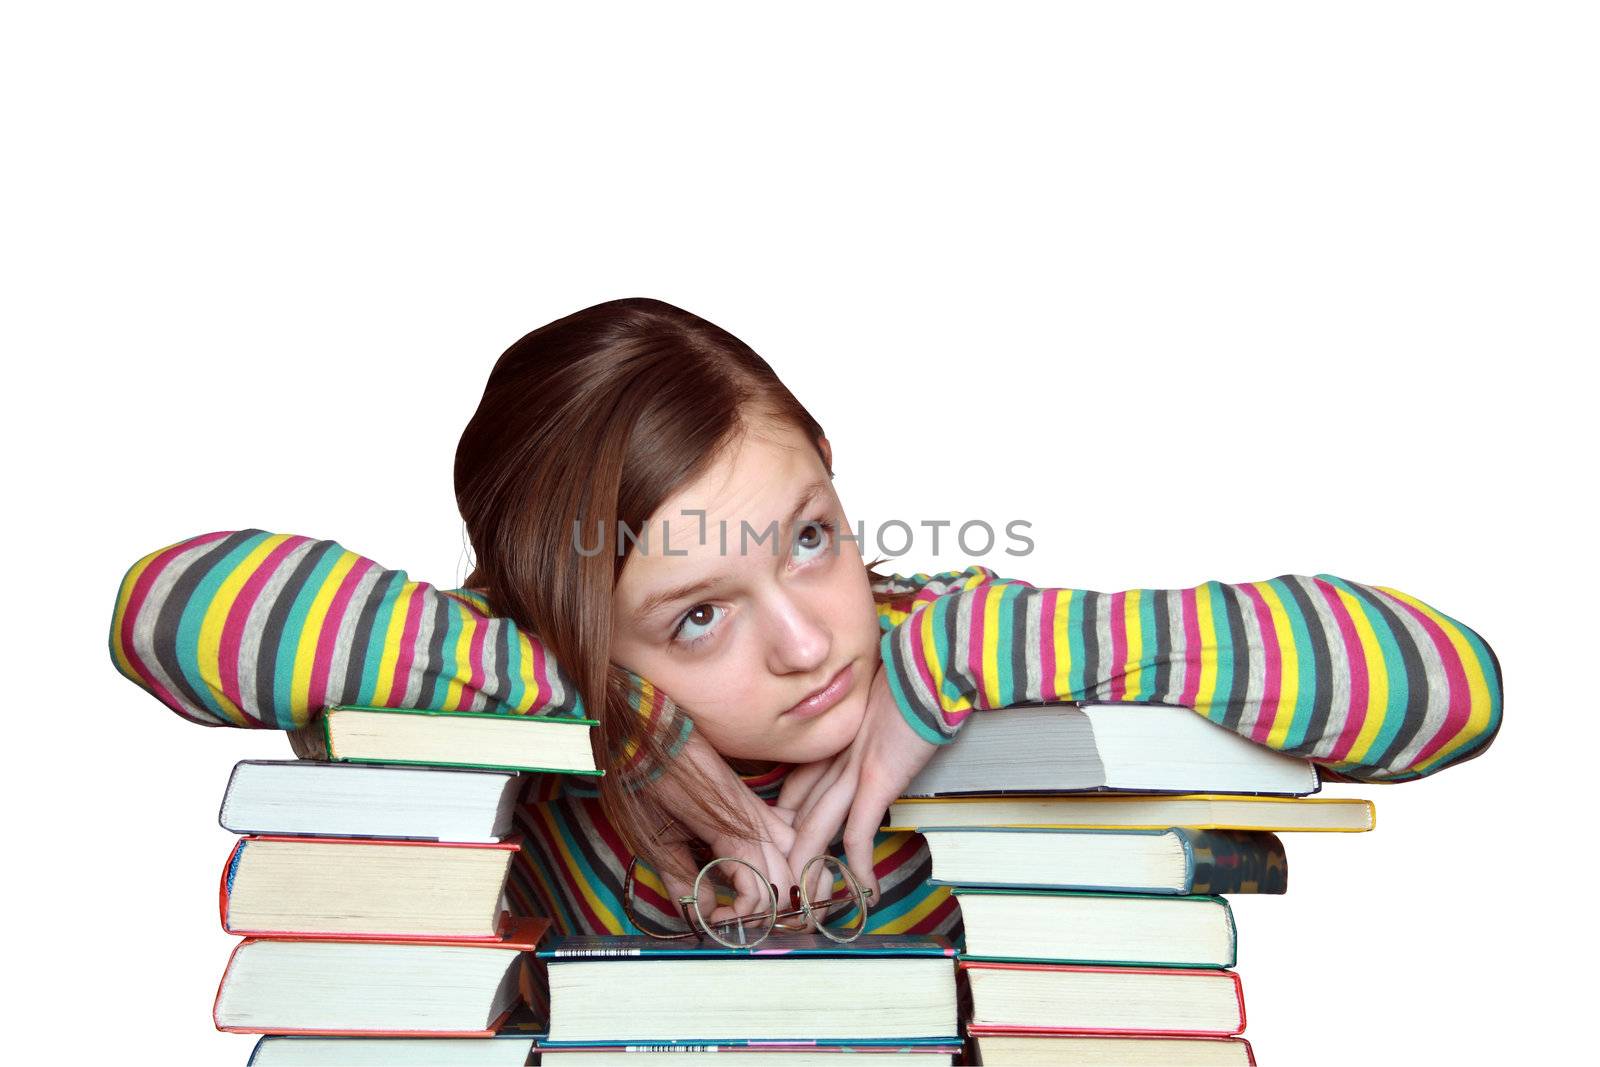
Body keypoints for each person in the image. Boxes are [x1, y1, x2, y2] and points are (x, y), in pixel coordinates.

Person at [108, 297, 1503, 945]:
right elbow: (179, 612)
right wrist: (610, 709)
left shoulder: (953, 648)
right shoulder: (530, 697)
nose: (808, 640)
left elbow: (1449, 688)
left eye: (814, 541)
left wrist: (943, 674)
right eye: (698, 615)